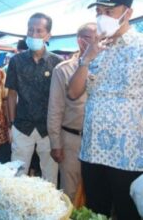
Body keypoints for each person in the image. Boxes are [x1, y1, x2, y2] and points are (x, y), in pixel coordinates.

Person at [68, 0, 142, 219]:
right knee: (94, 212)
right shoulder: (96, 48)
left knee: (127, 213)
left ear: (127, 13)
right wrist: (87, 59)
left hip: (129, 155)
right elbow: (73, 93)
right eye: (99, 11)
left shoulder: (141, 47)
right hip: (92, 151)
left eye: (109, 11)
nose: (103, 17)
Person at [6, 12, 62, 185]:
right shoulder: (16, 61)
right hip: (22, 126)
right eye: (31, 30)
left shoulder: (57, 62)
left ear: (48, 35)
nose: (34, 34)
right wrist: (11, 124)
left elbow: (61, 99)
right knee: (17, 175)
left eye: (39, 31)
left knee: (50, 176)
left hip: (48, 129)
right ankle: (15, 208)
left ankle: (49, 210)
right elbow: (11, 94)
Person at [47, 22, 97, 202]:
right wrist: (55, 143)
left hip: (99, 141)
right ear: (81, 42)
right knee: (71, 191)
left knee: (97, 193)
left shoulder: (108, 66)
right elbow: (55, 109)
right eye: (95, 39)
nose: (101, 43)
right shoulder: (64, 69)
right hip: (72, 140)